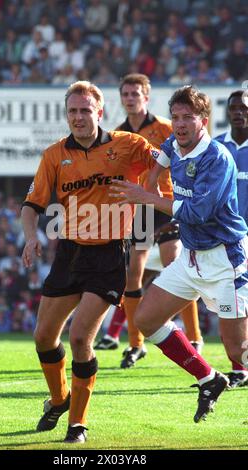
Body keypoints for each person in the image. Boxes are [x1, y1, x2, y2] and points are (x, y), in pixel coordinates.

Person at [21, 80, 160, 443]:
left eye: (86, 110)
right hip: (69, 252)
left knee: (81, 336)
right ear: (66, 114)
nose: (79, 117)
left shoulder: (127, 145)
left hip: (109, 254)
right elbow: (32, 204)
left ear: (100, 112)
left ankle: (77, 424)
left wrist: (151, 190)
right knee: (43, 338)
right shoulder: (54, 154)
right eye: (73, 111)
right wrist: (30, 237)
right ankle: (58, 400)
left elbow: (164, 158)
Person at [110, 85, 248, 422]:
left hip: (224, 260)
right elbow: (162, 154)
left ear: (203, 121)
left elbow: (196, 213)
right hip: (190, 258)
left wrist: (148, 197)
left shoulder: (217, 158)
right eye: (176, 117)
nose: (180, 123)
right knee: (145, 319)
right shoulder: (175, 140)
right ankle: (208, 378)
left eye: (188, 117)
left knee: (237, 350)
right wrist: (153, 181)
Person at [95, 74, 203, 369]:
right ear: (121, 98)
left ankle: (194, 338)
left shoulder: (166, 128)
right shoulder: (117, 135)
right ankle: (135, 343)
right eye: (126, 93)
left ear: (147, 96)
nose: (130, 98)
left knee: (175, 263)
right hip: (141, 208)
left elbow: (187, 161)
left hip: (167, 204)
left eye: (135, 93)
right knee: (132, 272)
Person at [215, 90, 248, 388]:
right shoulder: (215, 147)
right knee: (233, 303)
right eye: (233, 107)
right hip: (226, 241)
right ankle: (240, 367)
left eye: (244, 107)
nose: (238, 112)